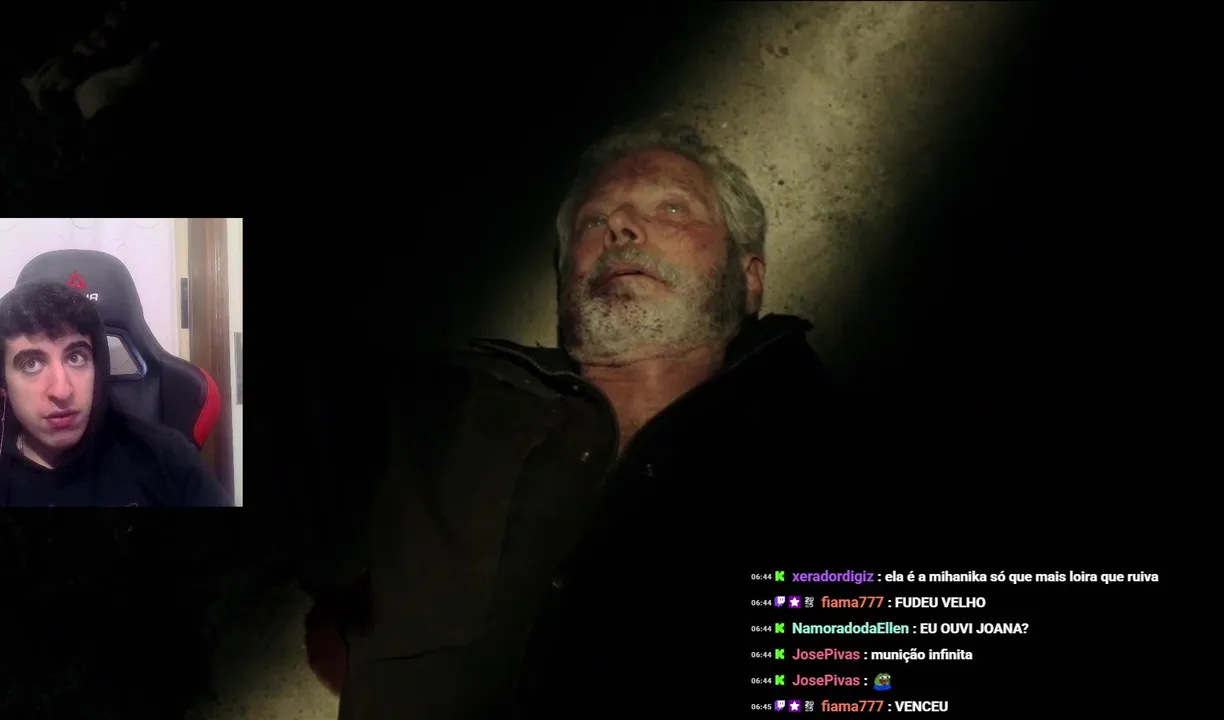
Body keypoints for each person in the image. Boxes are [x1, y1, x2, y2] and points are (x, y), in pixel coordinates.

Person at [301, 118, 849, 718]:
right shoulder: (439, 404)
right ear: (565, 282)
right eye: (594, 221)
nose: (621, 226)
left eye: (671, 208)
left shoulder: (827, 444)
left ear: (749, 278)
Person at [0, 280, 230, 507]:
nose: (62, 391)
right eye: (31, 364)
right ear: (4, 383)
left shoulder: (168, 459)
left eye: (75, 358)